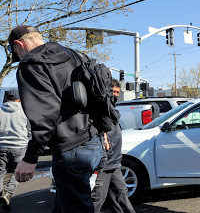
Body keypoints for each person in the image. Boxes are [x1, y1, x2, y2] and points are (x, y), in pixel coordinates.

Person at [9, 25, 103, 212]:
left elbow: (44, 115)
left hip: (70, 149)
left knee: (76, 208)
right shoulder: (75, 55)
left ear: (19, 44)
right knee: (65, 205)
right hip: (93, 140)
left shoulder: (32, 64)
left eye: (16, 53)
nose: (19, 57)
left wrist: (31, 157)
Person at [91, 79, 135, 213]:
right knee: (96, 201)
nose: (115, 95)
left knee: (121, 198)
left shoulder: (113, 111)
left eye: (117, 92)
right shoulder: (96, 111)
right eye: (112, 92)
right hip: (102, 166)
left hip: (115, 164)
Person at [0, 89, 30, 210]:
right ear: (19, 98)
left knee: (0, 172)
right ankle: (8, 193)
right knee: (17, 172)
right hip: (19, 147)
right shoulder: (25, 111)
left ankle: (2, 196)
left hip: (1, 147)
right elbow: (29, 131)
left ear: (6, 98)